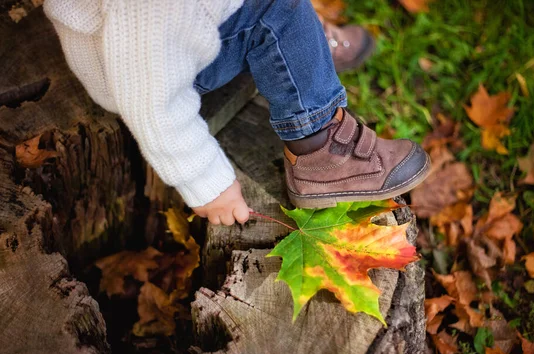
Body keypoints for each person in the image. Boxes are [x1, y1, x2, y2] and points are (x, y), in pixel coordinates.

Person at [44, 0, 430, 226]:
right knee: (279, 11)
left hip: (159, 37)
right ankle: (319, 149)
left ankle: (303, 42)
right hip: (136, 68)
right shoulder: (150, 13)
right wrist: (205, 181)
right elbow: (149, 93)